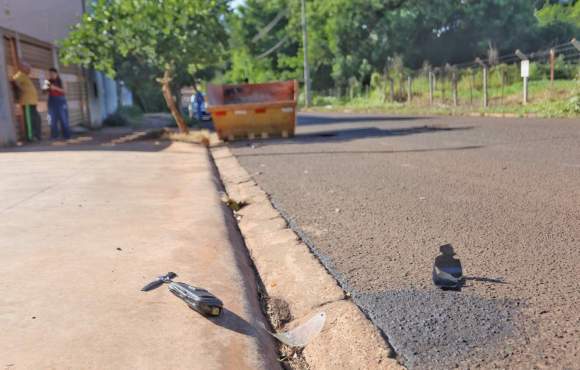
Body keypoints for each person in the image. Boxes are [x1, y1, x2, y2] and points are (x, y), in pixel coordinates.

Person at [12, 61, 41, 141]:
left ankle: (36, 135)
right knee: (29, 121)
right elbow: (15, 81)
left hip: (32, 102)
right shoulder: (20, 75)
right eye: (28, 68)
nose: (29, 70)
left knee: (36, 119)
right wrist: (22, 90)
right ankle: (30, 137)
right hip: (27, 102)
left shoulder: (25, 76)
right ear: (22, 67)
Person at [45, 68, 71, 139]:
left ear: (56, 74)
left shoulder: (61, 81)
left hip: (60, 100)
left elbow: (65, 91)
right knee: (52, 119)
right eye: (50, 74)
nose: (51, 75)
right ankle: (54, 135)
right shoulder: (48, 81)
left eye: (52, 73)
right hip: (51, 100)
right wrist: (46, 87)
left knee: (63, 118)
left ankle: (66, 135)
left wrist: (55, 88)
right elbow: (44, 92)